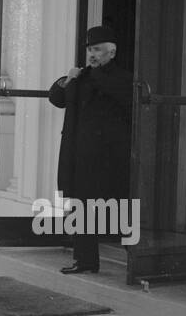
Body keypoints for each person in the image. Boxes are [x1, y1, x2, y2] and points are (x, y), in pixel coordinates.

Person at [47, 24, 133, 274]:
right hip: (78, 153)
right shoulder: (81, 76)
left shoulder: (123, 78)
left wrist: (85, 75)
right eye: (89, 50)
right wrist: (67, 79)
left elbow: (116, 92)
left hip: (107, 156)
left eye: (97, 50)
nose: (92, 55)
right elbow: (56, 98)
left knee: (116, 205)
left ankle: (136, 263)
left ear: (112, 52)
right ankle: (85, 261)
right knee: (79, 204)